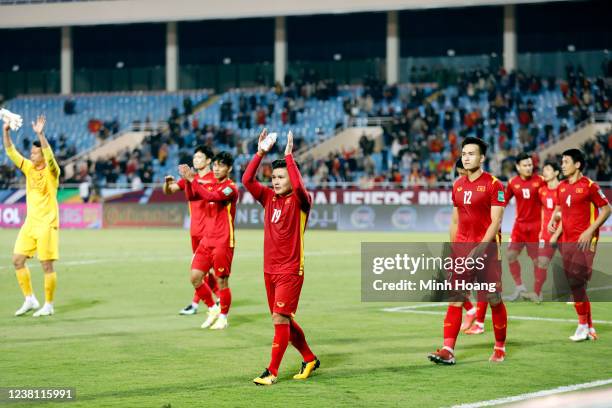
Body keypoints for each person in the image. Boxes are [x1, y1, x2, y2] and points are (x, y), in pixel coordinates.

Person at [243, 129, 319, 385]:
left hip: (290, 269)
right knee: (283, 318)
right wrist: (260, 152)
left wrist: (289, 157)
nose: (275, 181)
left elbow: (298, 185)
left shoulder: (301, 201)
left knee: (279, 318)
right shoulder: (268, 198)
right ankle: (309, 358)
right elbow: (246, 180)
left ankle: (271, 371)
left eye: (281, 176)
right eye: (273, 176)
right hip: (269, 269)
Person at [428, 137, 508, 364]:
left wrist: (480, 248)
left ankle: (500, 347)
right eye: (464, 153)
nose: (466, 157)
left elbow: (496, 221)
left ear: (482, 158)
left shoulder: (494, 184)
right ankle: (448, 350)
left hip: (488, 252)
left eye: (471, 153)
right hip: (462, 251)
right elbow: (454, 221)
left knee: (493, 298)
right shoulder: (457, 185)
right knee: (456, 299)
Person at [548, 149, 610, 342]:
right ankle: (588, 327)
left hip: (584, 242)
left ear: (577, 164)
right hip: (566, 241)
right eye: (562, 161)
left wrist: (589, 230)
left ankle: (582, 325)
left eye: (566, 161)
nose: (562, 165)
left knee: (576, 281)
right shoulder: (562, 187)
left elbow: (607, 209)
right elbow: (560, 209)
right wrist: (553, 222)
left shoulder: (589, 186)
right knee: (576, 286)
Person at [4, 115, 60, 317]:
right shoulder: (28, 168)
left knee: (46, 264)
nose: (32, 155)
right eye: (32, 152)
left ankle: (49, 305)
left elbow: (50, 156)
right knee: (18, 260)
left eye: (35, 153)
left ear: (43, 155)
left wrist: (40, 134)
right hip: (30, 224)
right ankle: (30, 299)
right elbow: (11, 152)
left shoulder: (53, 172)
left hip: (47, 224)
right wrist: (6, 132)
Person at [179, 152, 238, 330]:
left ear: (229, 168)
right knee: (195, 277)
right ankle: (213, 308)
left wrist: (193, 180)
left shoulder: (231, 188)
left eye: (221, 165)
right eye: (216, 165)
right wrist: (189, 181)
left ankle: (223, 317)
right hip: (206, 240)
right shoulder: (211, 185)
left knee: (222, 282)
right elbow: (192, 196)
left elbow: (211, 196)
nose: (217, 168)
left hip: (223, 241)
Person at [163, 145, 220, 316]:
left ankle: (199, 304)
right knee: (203, 272)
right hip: (195, 232)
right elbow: (169, 191)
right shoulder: (191, 178)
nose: (196, 161)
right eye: (194, 158)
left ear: (209, 161)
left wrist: (191, 180)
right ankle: (217, 298)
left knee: (200, 272)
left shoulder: (214, 178)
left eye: (200, 158)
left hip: (209, 232)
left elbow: (206, 186)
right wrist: (167, 184)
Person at [503, 152, 545, 302]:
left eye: (530, 165)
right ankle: (520, 288)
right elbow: (504, 201)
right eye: (525, 165)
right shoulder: (512, 182)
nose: (528, 168)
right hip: (519, 227)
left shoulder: (540, 180)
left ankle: (537, 291)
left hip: (536, 227)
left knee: (536, 261)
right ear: (518, 167)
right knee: (510, 255)